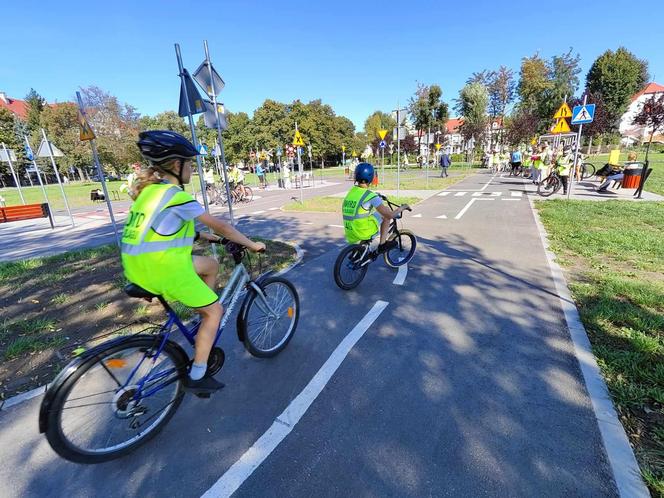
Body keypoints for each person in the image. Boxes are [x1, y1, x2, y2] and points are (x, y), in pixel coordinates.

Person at [122, 130, 265, 393]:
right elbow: (223, 226)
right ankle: (198, 374)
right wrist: (252, 244)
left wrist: (201, 236)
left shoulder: (149, 192)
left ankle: (202, 321)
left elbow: (159, 229)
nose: (192, 169)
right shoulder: (176, 196)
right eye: (190, 163)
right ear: (177, 165)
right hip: (163, 270)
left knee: (210, 266)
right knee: (215, 311)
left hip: (140, 268)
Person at [341, 162, 408, 257]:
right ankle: (382, 245)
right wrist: (402, 208)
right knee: (386, 215)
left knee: (368, 216)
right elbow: (389, 215)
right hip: (361, 231)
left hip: (350, 231)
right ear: (372, 177)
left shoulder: (352, 192)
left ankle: (359, 249)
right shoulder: (370, 196)